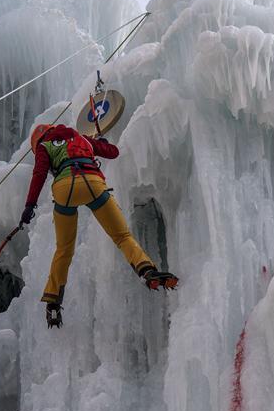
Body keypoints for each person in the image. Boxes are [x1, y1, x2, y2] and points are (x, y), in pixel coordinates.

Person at [21, 123, 179, 328]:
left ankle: (53, 301)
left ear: (39, 139)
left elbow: (39, 174)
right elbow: (113, 153)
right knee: (122, 237)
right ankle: (147, 271)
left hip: (65, 189)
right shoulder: (82, 138)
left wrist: (29, 205)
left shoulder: (44, 146)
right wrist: (101, 144)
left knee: (64, 249)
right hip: (93, 183)